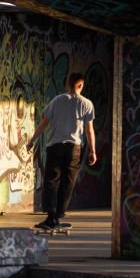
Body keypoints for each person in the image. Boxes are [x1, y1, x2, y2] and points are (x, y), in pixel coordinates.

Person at [26, 72, 97, 229]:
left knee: (51, 180)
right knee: (68, 182)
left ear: (68, 84)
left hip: (55, 146)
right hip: (75, 148)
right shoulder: (87, 104)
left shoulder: (57, 100)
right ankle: (59, 214)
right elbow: (89, 130)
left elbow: (44, 123)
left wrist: (32, 140)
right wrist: (93, 151)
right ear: (80, 85)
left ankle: (51, 217)